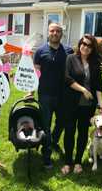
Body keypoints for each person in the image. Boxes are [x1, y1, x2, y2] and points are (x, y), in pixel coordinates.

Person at [61, 34, 102, 174]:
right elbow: (67, 78)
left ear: (93, 49)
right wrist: (83, 90)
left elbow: (98, 86)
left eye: (89, 45)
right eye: (83, 44)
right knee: (69, 132)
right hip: (70, 103)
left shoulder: (95, 64)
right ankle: (68, 162)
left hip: (87, 106)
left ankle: (78, 162)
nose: (85, 47)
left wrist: (101, 103)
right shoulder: (70, 58)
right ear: (80, 44)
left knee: (83, 133)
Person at [33, 23, 73, 168]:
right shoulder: (40, 51)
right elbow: (35, 73)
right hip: (45, 95)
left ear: (62, 34)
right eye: (52, 31)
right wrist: (31, 90)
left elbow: (79, 66)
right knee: (46, 126)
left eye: (58, 31)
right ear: (48, 33)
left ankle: (54, 140)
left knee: (62, 122)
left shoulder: (69, 51)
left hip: (64, 95)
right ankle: (46, 155)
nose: (55, 33)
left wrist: (98, 67)